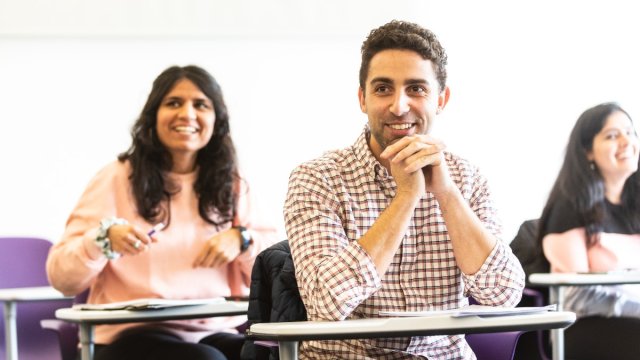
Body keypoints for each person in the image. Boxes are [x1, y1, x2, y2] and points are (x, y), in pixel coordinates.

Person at [283, 20, 525, 359]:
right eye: (383, 89)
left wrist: (446, 193)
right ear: (362, 98)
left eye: (416, 89)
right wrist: (406, 197)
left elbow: (504, 293)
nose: (399, 106)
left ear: (442, 99)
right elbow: (327, 302)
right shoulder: (317, 178)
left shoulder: (467, 178)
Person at [47, 65, 277, 360]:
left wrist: (243, 239)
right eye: (173, 103)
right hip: (129, 337)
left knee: (271, 356)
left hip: (216, 332)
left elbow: (274, 275)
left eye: (201, 105)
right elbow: (61, 278)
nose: (188, 114)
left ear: (216, 119)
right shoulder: (116, 177)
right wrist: (101, 240)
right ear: (153, 116)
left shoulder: (232, 183)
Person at [540, 102, 640, 319]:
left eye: (631, 132)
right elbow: (579, 298)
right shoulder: (569, 207)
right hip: (588, 326)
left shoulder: (635, 205)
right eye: (612, 136)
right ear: (588, 152)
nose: (627, 142)